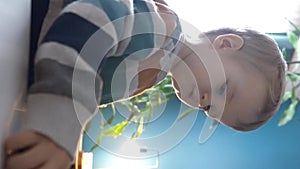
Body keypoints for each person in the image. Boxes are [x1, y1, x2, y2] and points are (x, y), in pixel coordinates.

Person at [4, 0, 286, 168]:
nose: (202, 100)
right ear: (225, 43)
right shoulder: (164, 31)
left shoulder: (156, 70)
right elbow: (95, 15)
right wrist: (58, 123)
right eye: (223, 89)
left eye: (210, 107)